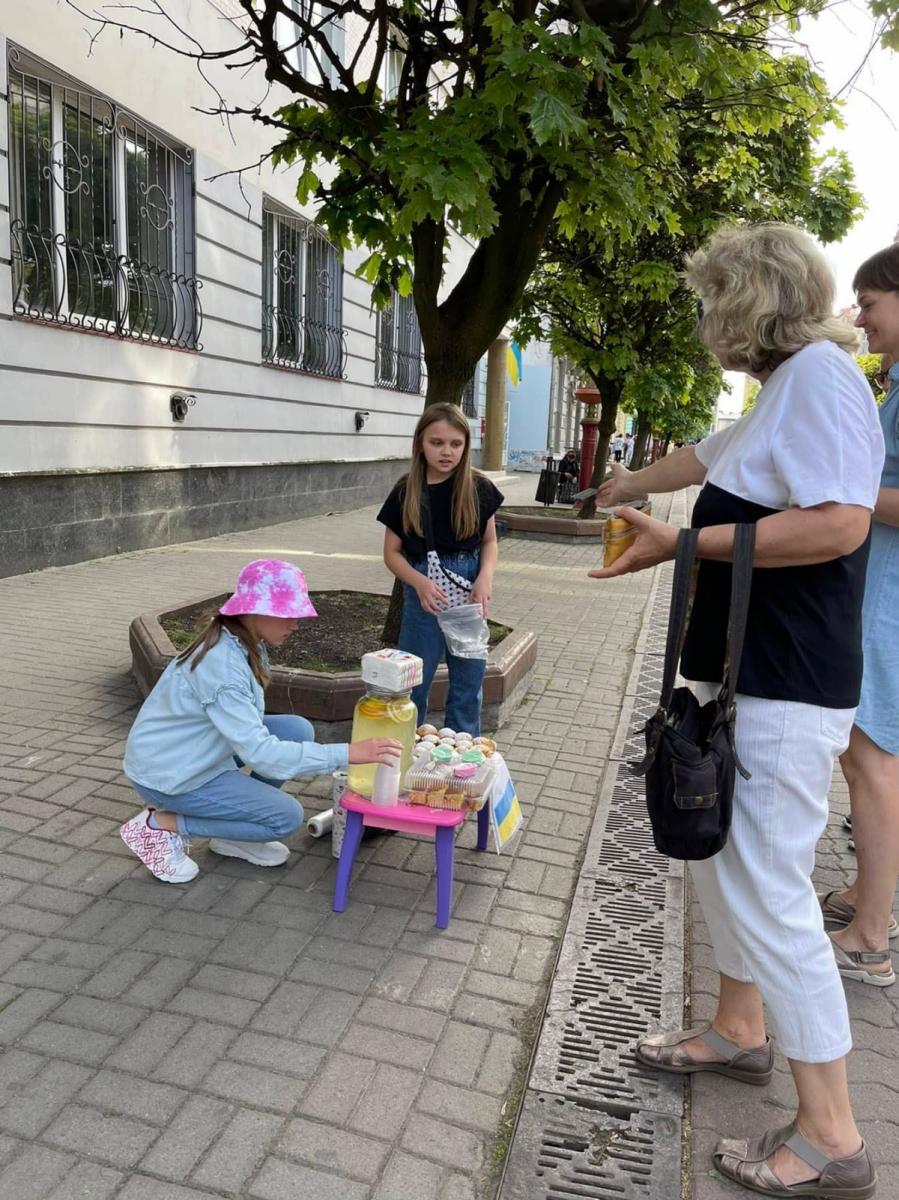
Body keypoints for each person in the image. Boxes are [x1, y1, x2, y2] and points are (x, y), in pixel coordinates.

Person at [593, 223, 883, 1198]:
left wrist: (679, 546)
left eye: (708, 295)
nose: (702, 316)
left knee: (767, 889)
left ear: (743, 296)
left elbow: (840, 522)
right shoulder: (780, 393)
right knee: (721, 864)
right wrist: (629, 486)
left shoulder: (820, 378)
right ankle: (736, 1029)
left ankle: (832, 1134)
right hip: (741, 676)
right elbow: (703, 458)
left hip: (786, 683)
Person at [120, 559, 401, 883]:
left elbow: (253, 736)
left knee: (297, 729)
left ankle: (233, 834)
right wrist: (348, 753)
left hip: (184, 752)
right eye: (288, 613)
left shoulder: (237, 638)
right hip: (169, 774)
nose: (295, 624)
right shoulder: (224, 666)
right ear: (255, 611)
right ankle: (158, 826)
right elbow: (262, 755)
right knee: (284, 817)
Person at [821, 250, 899, 986]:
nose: (859, 317)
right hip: (874, 597)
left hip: (886, 607)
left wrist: (838, 484)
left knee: (872, 764)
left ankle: (871, 936)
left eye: (869, 301)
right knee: (861, 757)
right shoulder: (894, 383)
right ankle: (865, 897)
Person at [378, 402, 503, 736]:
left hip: (469, 596)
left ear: (466, 445)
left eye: (456, 444)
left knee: (468, 684)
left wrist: (485, 578)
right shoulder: (406, 491)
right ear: (420, 443)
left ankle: (461, 764)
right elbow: (391, 554)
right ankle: (402, 759)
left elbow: (489, 543)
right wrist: (418, 582)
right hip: (424, 601)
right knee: (413, 684)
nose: (447, 452)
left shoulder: (479, 488)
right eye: (437, 443)